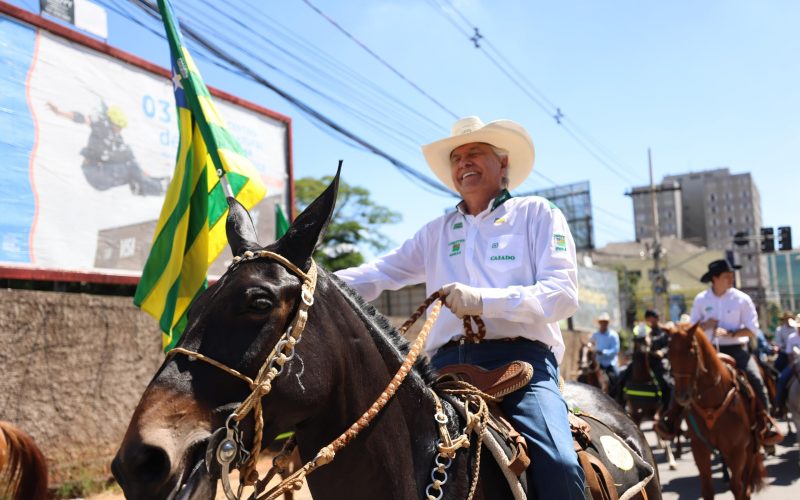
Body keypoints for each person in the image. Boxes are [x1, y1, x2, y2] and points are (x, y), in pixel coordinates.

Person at [335, 116, 585, 498]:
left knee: (560, 463)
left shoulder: (537, 213)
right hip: (442, 370)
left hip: (520, 365)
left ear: (503, 165)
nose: (463, 163)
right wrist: (313, 278)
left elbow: (563, 294)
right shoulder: (437, 230)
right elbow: (381, 272)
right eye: (457, 157)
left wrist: (482, 301)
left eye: (475, 153)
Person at [655, 259, 783, 445]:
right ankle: (671, 420)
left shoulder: (742, 299)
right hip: (707, 352)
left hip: (737, 349)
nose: (731, 279)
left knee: (755, 377)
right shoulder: (701, 299)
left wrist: (731, 333)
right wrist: (705, 325)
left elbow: (752, 329)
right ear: (714, 278)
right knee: (682, 380)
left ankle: (766, 421)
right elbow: (690, 328)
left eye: (732, 276)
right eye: (727, 276)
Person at [47, 101, 167, 196]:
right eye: (118, 126)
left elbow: (132, 163)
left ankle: (144, 186)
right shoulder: (101, 123)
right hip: (94, 172)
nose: (120, 130)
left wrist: (145, 176)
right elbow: (81, 118)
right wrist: (60, 113)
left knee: (129, 158)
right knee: (128, 159)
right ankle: (157, 187)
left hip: (103, 176)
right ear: (112, 121)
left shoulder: (118, 138)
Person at [614, 310, 673, 413]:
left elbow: (668, 346)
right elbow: (637, 343)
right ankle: (619, 404)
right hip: (641, 360)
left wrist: (662, 352)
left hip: (656, 361)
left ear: (656, 318)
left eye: (651, 317)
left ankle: (666, 408)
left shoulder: (664, 332)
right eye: (647, 318)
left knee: (666, 383)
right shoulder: (644, 330)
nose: (649, 320)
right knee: (622, 375)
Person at [590, 312, 620, 387]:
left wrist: (604, 352)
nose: (603, 324)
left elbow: (615, 350)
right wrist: (590, 347)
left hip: (610, 363)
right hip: (598, 363)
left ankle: (617, 396)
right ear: (599, 323)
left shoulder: (613, 335)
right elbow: (591, 344)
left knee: (617, 377)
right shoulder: (595, 335)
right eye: (602, 322)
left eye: (605, 322)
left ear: (608, 323)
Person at [774, 327, 800, 413]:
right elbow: (789, 353)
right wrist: (793, 363)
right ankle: (779, 404)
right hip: (795, 363)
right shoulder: (792, 337)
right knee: (782, 379)